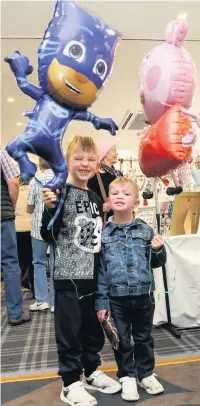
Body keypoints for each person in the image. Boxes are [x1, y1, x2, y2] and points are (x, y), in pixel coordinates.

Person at [41, 136, 121, 406]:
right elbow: (47, 233)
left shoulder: (94, 197)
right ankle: (70, 381)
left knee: (92, 328)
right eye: (79, 158)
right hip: (68, 276)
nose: (85, 164)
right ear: (67, 161)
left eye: (90, 159)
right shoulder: (59, 192)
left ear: (97, 163)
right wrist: (50, 208)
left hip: (93, 274)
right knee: (69, 330)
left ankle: (91, 370)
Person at [96, 176, 167, 401]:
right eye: (115, 193)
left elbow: (156, 262)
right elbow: (101, 272)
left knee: (144, 337)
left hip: (144, 295)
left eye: (126, 194)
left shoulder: (146, 231)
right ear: (108, 199)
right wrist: (102, 301)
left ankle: (145, 372)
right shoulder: (104, 234)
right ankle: (127, 374)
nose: (120, 197)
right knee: (122, 339)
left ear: (136, 202)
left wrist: (157, 249)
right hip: (116, 297)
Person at [0, 147, 31, 325]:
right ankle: (15, 313)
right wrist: (10, 206)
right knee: (10, 263)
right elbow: (13, 181)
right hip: (2, 218)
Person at [27, 158, 55, 312]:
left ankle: (41, 300)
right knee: (56, 264)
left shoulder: (33, 182)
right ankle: (55, 302)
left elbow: (29, 208)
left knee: (39, 264)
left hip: (38, 229)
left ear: (39, 164)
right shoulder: (60, 179)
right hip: (55, 228)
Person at [88, 141, 122, 222]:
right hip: (104, 220)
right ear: (105, 153)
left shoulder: (118, 173)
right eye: (114, 150)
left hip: (120, 218)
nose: (117, 153)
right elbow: (87, 198)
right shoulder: (93, 175)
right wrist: (99, 207)